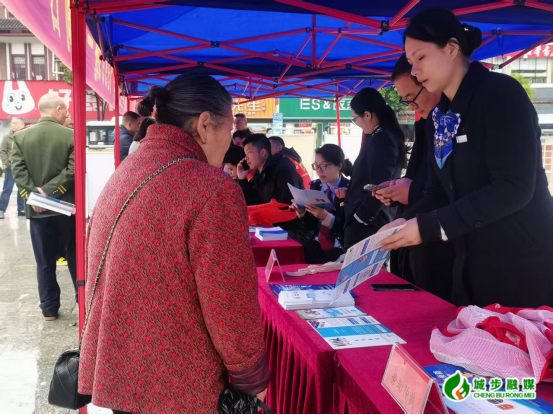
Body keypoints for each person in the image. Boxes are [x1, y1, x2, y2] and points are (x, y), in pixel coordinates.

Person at [79, 73, 269, 414]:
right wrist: (251, 377)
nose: (231, 143)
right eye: (229, 130)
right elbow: (229, 302)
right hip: (181, 386)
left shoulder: (128, 169)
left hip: (121, 372)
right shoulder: (212, 189)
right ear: (205, 124)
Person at [380, 8, 553, 308]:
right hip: (467, 266)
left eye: (420, 58)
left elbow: (513, 187)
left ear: (451, 48)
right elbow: (437, 192)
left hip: (520, 266)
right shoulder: (439, 117)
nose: (415, 71)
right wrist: (403, 221)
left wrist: (428, 227)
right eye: (410, 62)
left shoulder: (500, 94)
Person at [373, 55, 455, 301]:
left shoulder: (452, 120)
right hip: (418, 232)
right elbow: (426, 179)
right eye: (405, 101)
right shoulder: (429, 123)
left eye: (412, 98)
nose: (411, 107)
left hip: (443, 244)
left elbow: (454, 189)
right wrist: (397, 191)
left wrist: (413, 191)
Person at [11, 94, 77, 321]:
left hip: (37, 212)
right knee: (74, 256)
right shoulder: (71, 135)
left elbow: (18, 171)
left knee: (44, 261)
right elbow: (73, 170)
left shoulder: (20, 137)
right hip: (66, 208)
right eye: (65, 110)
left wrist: (36, 197)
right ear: (58, 109)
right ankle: (81, 300)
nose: (67, 114)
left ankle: (49, 309)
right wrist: (49, 193)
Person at [342, 88, 407, 249]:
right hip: (370, 220)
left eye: (355, 118)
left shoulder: (381, 139)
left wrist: (361, 217)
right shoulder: (379, 136)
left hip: (369, 223)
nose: (356, 123)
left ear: (367, 115)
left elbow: (379, 182)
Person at [292, 144, 352, 264]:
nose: (319, 171)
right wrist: (302, 212)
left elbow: (350, 226)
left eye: (324, 166)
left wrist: (326, 217)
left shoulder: (350, 188)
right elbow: (311, 224)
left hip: (340, 247)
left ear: (339, 166)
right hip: (316, 244)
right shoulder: (316, 186)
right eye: (317, 166)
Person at [238, 134, 304, 206]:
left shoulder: (283, 169)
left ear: (263, 153)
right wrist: (242, 178)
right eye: (245, 154)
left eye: (249, 152)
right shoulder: (258, 174)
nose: (246, 158)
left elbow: (288, 204)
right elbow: (251, 203)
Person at [0, 117, 26, 219]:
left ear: (22, 125)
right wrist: (6, 163)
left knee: (22, 189)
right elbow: (2, 151)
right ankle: (1, 210)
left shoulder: (26, 136)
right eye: (12, 123)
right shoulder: (7, 137)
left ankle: (21, 209)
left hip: (22, 167)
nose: (13, 125)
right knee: (7, 189)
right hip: (10, 167)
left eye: (15, 123)